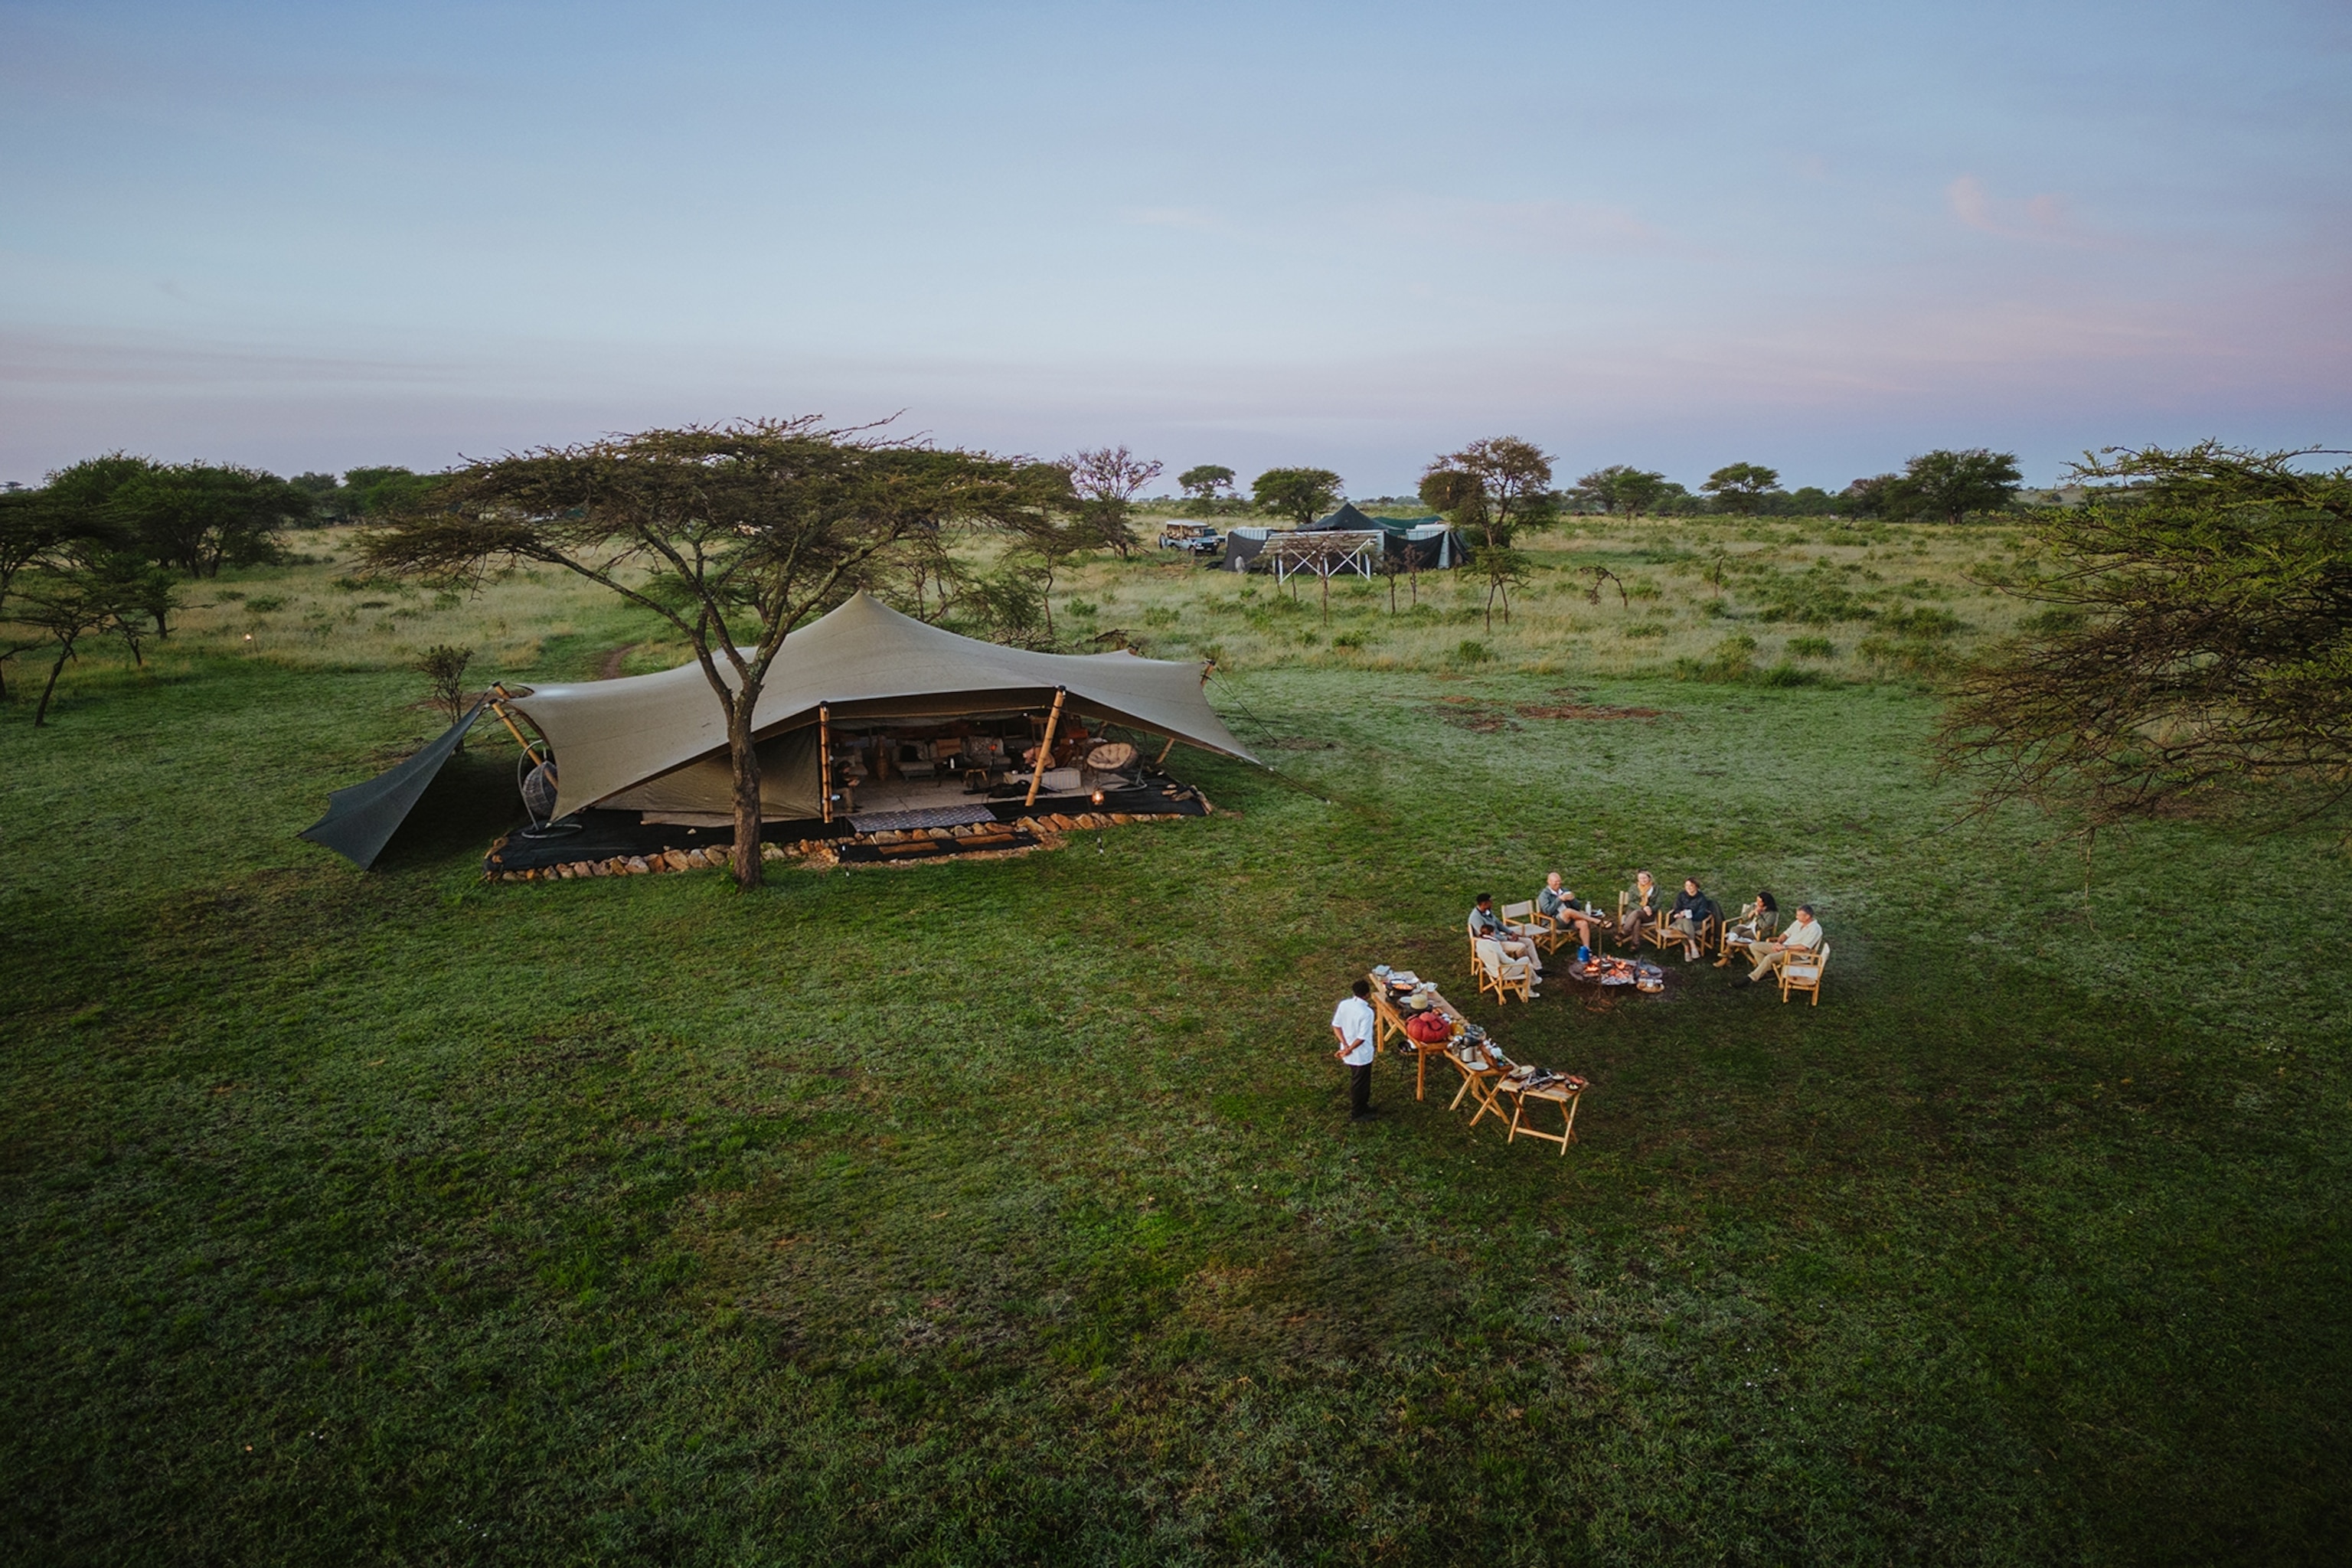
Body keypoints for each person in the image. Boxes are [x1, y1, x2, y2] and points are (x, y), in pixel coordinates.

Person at [1331, 978, 1378, 1120]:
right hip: (1361, 1054)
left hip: (1348, 1049)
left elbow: (1336, 1025)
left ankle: (1363, 1106)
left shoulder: (1344, 1004)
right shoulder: (1367, 1012)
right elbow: (1362, 1037)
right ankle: (1357, 1113)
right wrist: (1350, 1049)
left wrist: (1344, 1045)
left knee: (1359, 1080)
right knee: (1360, 1084)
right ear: (1367, 994)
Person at [1468, 893, 1544, 981]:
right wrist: (1507, 939)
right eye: (1490, 901)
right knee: (1521, 947)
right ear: (1484, 904)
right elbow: (1486, 935)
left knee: (1528, 942)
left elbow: (1499, 924)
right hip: (1494, 942)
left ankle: (1537, 967)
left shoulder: (1488, 911)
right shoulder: (1476, 918)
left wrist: (1511, 932)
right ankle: (1525, 968)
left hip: (1502, 937)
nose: (1492, 903)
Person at [1745, 903, 1823, 985]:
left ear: (1807, 917)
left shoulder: (1815, 929)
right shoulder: (1798, 922)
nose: (1796, 917)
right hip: (1784, 947)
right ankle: (1768, 972)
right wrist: (1778, 943)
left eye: (1799, 915)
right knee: (1754, 946)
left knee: (1770, 958)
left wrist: (1784, 947)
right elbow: (1786, 934)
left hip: (1797, 954)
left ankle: (1751, 978)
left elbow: (1804, 947)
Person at [1714, 889, 1779, 968]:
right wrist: (1750, 913)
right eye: (1757, 901)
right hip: (1748, 926)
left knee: (1742, 935)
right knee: (1735, 930)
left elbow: (1764, 926)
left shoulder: (1771, 913)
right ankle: (1729, 953)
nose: (1757, 903)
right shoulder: (1754, 906)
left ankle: (1726, 956)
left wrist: (1758, 915)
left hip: (1758, 931)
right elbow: (1744, 917)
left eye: (1760, 902)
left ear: (1766, 903)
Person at [1537, 871, 1596, 951]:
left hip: (1569, 920)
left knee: (1583, 923)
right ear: (1549, 882)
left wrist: (1573, 900)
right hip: (1554, 922)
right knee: (1568, 911)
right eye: (1556, 882)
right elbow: (1548, 912)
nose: (1558, 884)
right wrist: (1560, 899)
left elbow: (1577, 907)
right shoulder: (1544, 895)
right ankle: (1595, 920)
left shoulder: (1565, 891)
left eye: (1559, 881)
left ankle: (1587, 949)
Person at [1667, 877, 1721, 961]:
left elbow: (1701, 914)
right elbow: (1676, 908)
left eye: (1691, 886)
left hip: (1696, 922)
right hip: (1681, 920)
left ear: (1696, 887)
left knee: (1686, 923)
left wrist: (1688, 915)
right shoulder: (1681, 895)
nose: (1688, 887)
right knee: (1685, 922)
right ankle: (1693, 946)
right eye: (1686, 885)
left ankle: (1687, 951)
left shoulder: (1701, 898)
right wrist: (1679, 913)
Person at [1615, 871, 1658, 948]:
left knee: (1637, 914)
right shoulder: (1633, 888)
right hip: (1632, 912)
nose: (1643, 880)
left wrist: (1651, 909)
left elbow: (1659, 903)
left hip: (1648, 914)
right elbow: (1631, 902)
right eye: (1640, 878)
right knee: (1637, 918)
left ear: (1649, 878)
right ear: (1638, 879)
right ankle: (1635, 944)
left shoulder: (1656, 889)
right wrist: (1643, 908)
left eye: (1645, 878)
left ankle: (1624, 932)